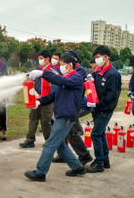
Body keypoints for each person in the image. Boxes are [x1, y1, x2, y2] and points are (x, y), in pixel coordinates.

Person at [24, 53, 86, 181]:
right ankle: (78, 167)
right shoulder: (63, 78)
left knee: (50, 145)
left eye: (62, 65)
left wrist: (43, 73)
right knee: (60, 145)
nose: (60, 67)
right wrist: (39, 102)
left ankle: (40, 173)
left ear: (70, 65)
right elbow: (53, 96)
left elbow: (61, 81)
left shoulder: (76, 78)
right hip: (61, 116)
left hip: (66, 117)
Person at [52, 50, 94, 166]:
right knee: (65, 131)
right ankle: (63, 154)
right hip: (66, 106)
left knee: (72, 131)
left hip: (76, 106)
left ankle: (84, 155)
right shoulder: (65, 71)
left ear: (73, 61)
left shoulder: (79, 71)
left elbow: (66, 82)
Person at [86, 46, 122, 173]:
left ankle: (99, 162)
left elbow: (111, 95)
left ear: (105, 57)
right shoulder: (99, 72)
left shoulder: (113, 74)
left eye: (97, 57)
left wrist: (98, 104)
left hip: (105, 109)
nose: (96, 60)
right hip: (97, 108)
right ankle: (105, 160)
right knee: (100, 134)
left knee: (95, 134)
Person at [19, 50, 54, 148]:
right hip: (36, 97)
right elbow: (32, 78)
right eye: (39, 59)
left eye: (41, 59)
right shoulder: (38, 68)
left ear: (47, 59)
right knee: (32, 118)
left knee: (45, 121)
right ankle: (29, 140)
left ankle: (49, 141)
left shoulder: (52, 70)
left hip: (47, 99)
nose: (40, 61)